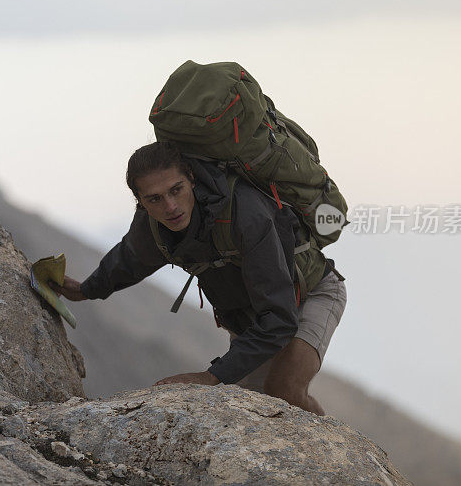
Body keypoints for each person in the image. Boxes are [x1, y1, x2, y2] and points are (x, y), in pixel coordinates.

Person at [51, 142, 347, 415]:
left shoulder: (245, 214)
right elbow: (129, 259)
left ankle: (343, 455)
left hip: (311, 295)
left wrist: (211, 376)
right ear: (140, 201)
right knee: (257, 412)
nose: (170, 207)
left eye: (176, 190)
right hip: (250, 319)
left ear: (191, 178)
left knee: (284, 389)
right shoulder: (154, 226)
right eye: (154, 198)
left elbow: (280, 318)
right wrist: (85, 290)